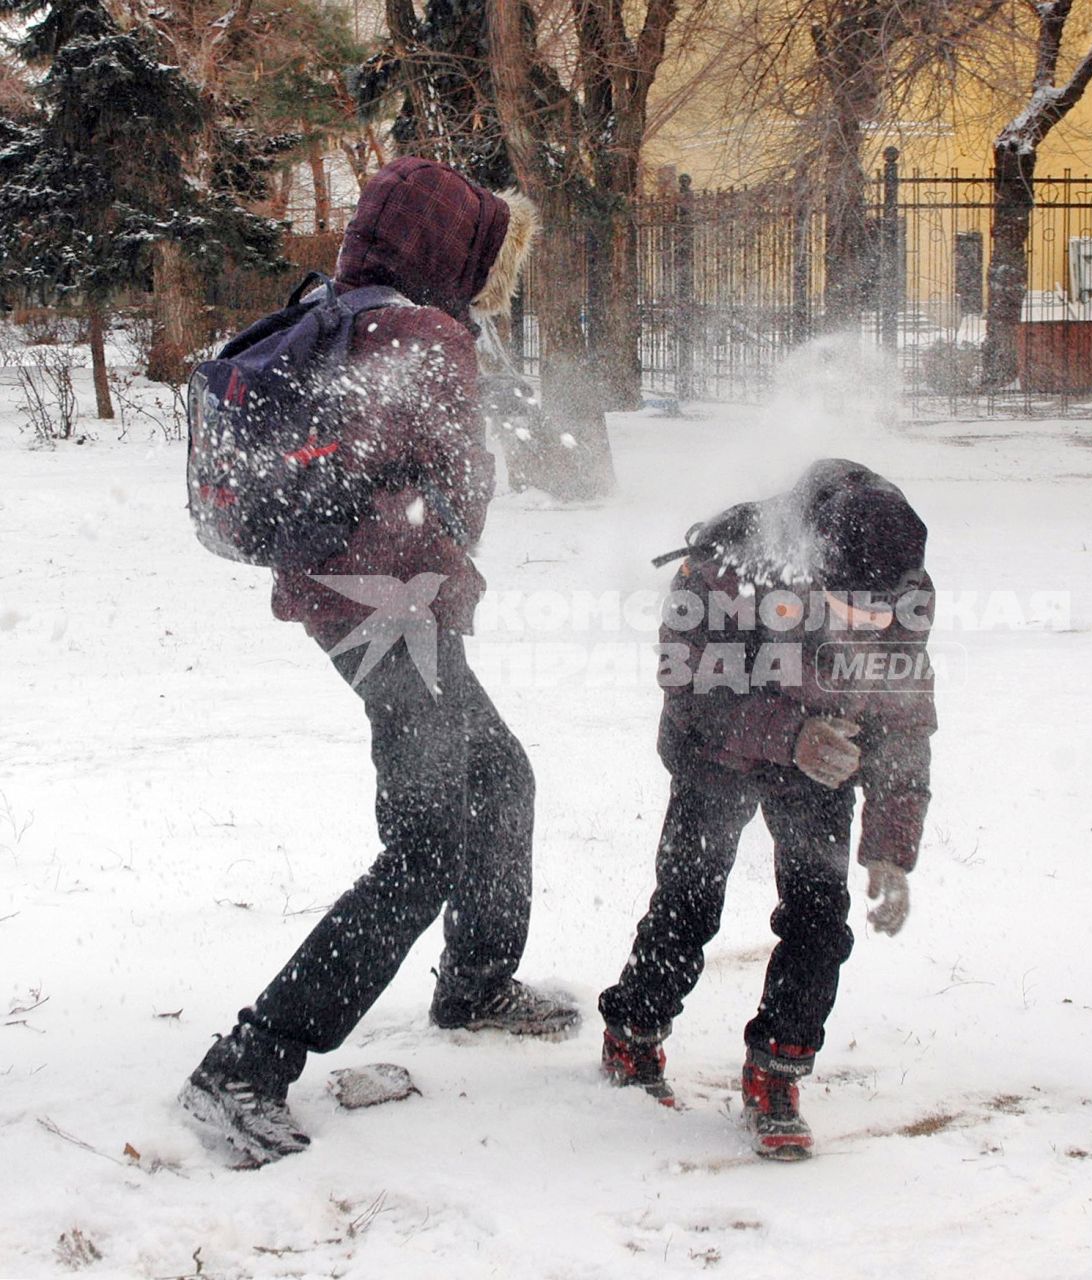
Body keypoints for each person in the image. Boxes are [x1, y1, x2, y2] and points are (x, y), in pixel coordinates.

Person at [180, 157, 576, 1167]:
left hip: (349, 599)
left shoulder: (341, 308)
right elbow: (460, 485)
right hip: (394, 613)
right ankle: (248, 1060)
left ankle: (477, 981)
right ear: (452, 250)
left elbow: (353, 457)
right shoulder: (426, 335)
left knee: (499, 774)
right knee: (428, 842)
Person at [598, 459, 936, 1159]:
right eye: (850, 608)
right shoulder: (726, 568)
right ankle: (633, 1030)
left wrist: (891, 844)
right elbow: (687, 689)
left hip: (824, 766)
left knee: (818, 916)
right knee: (689, 902)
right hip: (716, 754)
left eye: (880, 611)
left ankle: (776, 1070)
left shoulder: (901, 582)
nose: (867, 625)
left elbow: (905, 718)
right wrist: (790, 735)